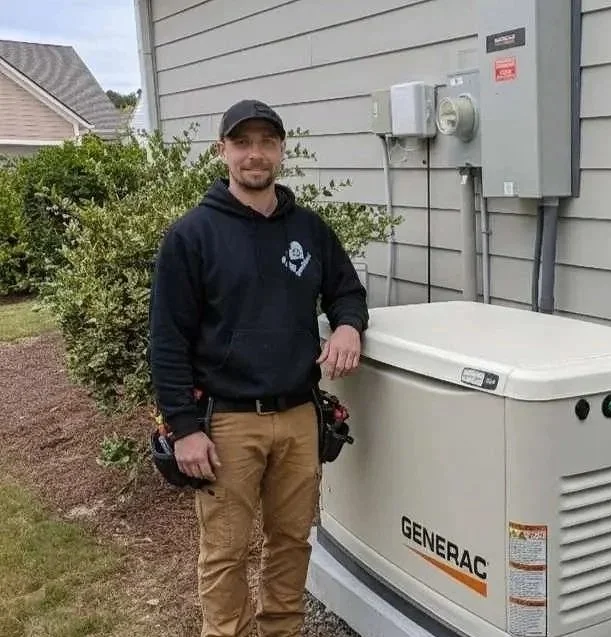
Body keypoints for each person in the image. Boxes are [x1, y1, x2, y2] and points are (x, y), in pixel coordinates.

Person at [148, 98, 368, 637]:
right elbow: (167, 341)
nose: (255, 154)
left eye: (266, 142)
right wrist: (184, 429)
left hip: (297, 416)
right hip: (226, 425)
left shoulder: (310, 230)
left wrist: (347, 325)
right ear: (222, 151)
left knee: (291, 541)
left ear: (281, 152)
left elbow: (347, 292)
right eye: (242, 143)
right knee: (225, 552)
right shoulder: (192, 235)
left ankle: (282, 630)